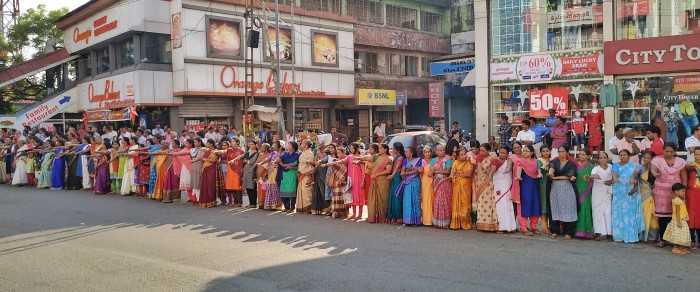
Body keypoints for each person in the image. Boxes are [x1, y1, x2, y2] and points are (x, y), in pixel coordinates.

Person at [650, 143, 687, 248]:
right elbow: (653, 168)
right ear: (663, 151)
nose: (669, 153)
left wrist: (683, 192)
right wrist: (654, 173)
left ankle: (674, 239)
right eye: (666, 151)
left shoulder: (680, 162)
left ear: (675, 152)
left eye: (671, 151)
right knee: (662, 218)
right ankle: (662, 239)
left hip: (676, 193)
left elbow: (684, 177)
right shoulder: (657, 160)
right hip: (661, 193)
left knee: (675, 216)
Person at [611, 149, 644, 243]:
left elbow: (636, 177)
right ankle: (619, 236)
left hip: (630, 193)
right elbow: (615, 173)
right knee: (618, 213)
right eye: (620, 155)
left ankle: (630, 236)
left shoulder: (633, 166)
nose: (622, 157)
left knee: (629, 213)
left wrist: (634, 187)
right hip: (618, 193)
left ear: (629, 157)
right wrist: (615, 177)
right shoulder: (615, 165)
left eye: (624, 155)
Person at [548, 144, 579, 240]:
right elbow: (552, 168)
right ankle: (555, 231)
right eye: (559, 151)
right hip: (555, 189)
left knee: (569, 208)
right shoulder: (554, 162)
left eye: (563, 151)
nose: (561, 153)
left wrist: (555, 177)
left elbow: (568, 176)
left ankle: (569, 232)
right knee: (555, 207)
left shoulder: (571, 163)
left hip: (567, 188)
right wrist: (550, 173)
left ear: (567, 152)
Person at [514, 145, 542, 235]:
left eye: (526, 151)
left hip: (534, 186)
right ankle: (523, 227)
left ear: (532, 152)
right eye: (524, 151)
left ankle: (534, 227)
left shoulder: (536, 161)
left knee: (535, 205)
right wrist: (518, 176)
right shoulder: (520, 161)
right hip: (525, 186)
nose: (524, 152)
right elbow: (519, 168)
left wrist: (540, 173)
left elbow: (538, 170)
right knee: (525, 205)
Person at [365, 144, 392, 223]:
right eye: (379, 148)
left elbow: (388, 171)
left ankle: (383, 218)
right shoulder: (377, 157)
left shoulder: (388, 159)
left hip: (383, 181)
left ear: (385, 149)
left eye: (381, 148)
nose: (379, 150)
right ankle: (374, 217)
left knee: (383, 200)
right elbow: (373, 168)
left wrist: (377, 174)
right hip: (374, 180)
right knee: (373, 199)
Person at [662, 183, 692, 254]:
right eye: (682, 191)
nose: (684, 193)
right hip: (679, 220)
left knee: (679, 234)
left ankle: (679, 247)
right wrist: (678, 222)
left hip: (680, 219)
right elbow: (677, 212)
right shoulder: (677, 200)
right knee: (678, 234)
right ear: (676, 192)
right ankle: (676, 247)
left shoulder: (677, 199)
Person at [590, 152, 613, 241]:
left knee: (608, 212)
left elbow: (615, 176)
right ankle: (597, 233)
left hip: (607, 192)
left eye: (604, 157)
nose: (603, 159)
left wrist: (611, 180)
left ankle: (609, 233)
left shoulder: (611, 167)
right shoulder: (596, 168)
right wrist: (595, 176)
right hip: (597, 192)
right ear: (598, 159)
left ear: (607, 158)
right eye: (601, 158)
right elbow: (592, 175)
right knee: (597, 212)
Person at [494, 146, 517, 233]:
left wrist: (509, 166)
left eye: (504, 153)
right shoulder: (495, 161)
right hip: (497, 186)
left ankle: (510, 227)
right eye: (500, 152)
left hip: (506, 187)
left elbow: (510, 166)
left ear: (508, 154)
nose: (502, 155)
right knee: (499, 207)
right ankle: (501, 227)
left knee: (507, 206)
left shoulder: (509, 162)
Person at [430, 144, 453, 229]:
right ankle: (438, 222)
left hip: (445, 183)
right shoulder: (433, 160)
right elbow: (431, 171)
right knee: (437, 201)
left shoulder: (448, 159)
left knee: (445, 202)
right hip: (436, 183)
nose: (442, 152)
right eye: (440, 150)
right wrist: (432, 173)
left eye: (443, 150)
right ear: (436, 152)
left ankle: (446, 222)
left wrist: (435, 172)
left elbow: (447, 171)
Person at [450, 147, 473, 230]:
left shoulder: (469, 163)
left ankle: (465, 223)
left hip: (465, 187)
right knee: (456, 203)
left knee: (465, 204)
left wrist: (457, 175)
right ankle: (456, 223)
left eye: (464, 154)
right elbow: (453, 170)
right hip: (456, 186)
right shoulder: (455, 162)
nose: (463, 156)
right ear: (458, 156)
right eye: (461, 155)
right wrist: (452, 174)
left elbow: (469, 174)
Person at [573, 148, 594, 239]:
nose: (580, 156)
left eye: (583, 154)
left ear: (588, 156)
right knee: (576, 209)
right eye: (579, 154)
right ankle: (575, 231)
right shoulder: (575, 165)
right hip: (576, 190)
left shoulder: (591, 168)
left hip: (587, 191)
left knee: (585, 208)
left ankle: (586, 232)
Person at [638, 151, 658, 242]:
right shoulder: (639, 168)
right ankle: (642, 235)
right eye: (644, 158)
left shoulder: (656, 169)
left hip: (652, 194)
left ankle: (652, 236)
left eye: (648, 158)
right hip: (641, 194)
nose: (646, 160)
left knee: (652, 214)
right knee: (642, 214)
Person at [199, 139, 224, 208]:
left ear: (211, 144)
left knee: (210, 185)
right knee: (204, 185)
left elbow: (214, 160)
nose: (206, 144)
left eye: (207, 143)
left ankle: (212, 201)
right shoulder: (206, 151)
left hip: (211, 169)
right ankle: (205, 201)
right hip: (205, 169)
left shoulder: (215, 151)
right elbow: (201, 157)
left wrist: (205, 159)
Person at [327, 146, 350, 219]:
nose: (338, 155)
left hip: (344, 181)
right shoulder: (335, 160)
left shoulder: (347, 161)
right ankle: (336, 213)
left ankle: (344, 213)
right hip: (336, 181)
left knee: (343, 198)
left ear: (344, 153)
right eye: (337, 153)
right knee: (336, 197)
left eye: (340, 153)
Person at [684, 148, 700, 249]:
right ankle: (692, 240)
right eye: (696, 154)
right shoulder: (690, 165)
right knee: (691, 217)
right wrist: (690, 166)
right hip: (692, 195)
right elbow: (687, 167)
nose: (698, 157)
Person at [387, 142, 406, 224]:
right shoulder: (396, 157)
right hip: (394, 177)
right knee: (393, 196)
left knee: (397, 196)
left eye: (394, 148)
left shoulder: (400, 157)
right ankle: (393, 216)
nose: (392, 150)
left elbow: (397, 167)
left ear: (397, 150)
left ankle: (399, 217)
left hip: (397, 177)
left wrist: (392, 175)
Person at [261, 141, 283, 210]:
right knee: (269, 187)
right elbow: (268, 159)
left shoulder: (282, 154)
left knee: (275, 187)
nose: (273, 145)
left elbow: (277, 161)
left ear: (279, 146)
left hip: (276, 171)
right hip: (270, 171)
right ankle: (269, 204)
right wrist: (261, 162)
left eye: (275, 145)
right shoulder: (273, 153)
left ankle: (276, 205)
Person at [279, 141, 300, 212]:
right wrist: (282, 164)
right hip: (284, 173)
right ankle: (286, 207)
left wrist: (287, 165)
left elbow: (295, 163)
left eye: (290, 145)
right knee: (284, 190)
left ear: (294, 147)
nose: (288, 146)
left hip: (292, 173)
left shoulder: (297, 154)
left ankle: (292, 207)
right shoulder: (285, 153)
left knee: (291, 190)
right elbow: (278, 160)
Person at [537, 145, 553, 235]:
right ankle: (544, 226)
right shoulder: (539, 161)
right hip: (543, 184)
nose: (546, 153)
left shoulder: (552, 160)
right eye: (544, 151)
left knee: (549, 204)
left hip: (551, 184)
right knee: (544, 204)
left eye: (547, 151)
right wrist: (545, 165)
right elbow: (539, 169)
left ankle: (550, 225)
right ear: (541, 152)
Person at [224, 140, 245, 207]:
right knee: (232, 186)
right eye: (231, 141)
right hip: (230, 170)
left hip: (238, 171)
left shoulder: (241, 151)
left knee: (238, 186)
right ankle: (235, 202)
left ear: (237, 142)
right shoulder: (229, 150)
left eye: (233, 141)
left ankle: (239, 202)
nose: (232, 142)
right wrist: (215, 151)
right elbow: (222, 152)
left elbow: (243, 161)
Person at [296, 140, 315, 214]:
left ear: (306, 145)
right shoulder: (302, 153)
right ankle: (302, 208)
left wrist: (308, 174)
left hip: (306, 175)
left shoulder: (310, 154)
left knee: (307, 192)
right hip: (301, 174)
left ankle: (308, 208)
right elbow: (300, 164)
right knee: (301, 191)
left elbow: (311, 166)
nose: (301, 144)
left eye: (302, 143)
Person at [242, 141, 259, 208]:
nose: (251, 146)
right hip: (246, 171)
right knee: (248, 187)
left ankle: (253, 203)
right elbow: (242, 158)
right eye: (250, 144)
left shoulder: (256, 153)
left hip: (252, 171)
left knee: (252, 187)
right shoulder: (247, 153)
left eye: (252, 144)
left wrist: (246, 161)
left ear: (255, 145)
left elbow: (252, 162)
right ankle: (250, 203)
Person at [420, 146, 435, 226]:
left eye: (429, 152)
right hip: (425, 181)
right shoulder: (421, 161)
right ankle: (426, 220)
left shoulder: (434, 160)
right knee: (425, 199)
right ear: (423, 153)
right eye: (426, 152)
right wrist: (420, 170)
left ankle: (433, 219)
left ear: (431, 152)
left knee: (432, 199)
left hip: (433, 181)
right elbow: (421, 172)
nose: (427, 153)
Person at [189, 139, 205, 203]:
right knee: (195, 181)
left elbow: (201, 157)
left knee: (199, 181)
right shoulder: (192, 150)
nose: (194, 143)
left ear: (200, 142)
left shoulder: (203, 149)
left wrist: (194, 160)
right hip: (193, 166)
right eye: (194, 142)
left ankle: (200, 199)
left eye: (196, 142)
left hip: (200, 165)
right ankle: (196, 199)